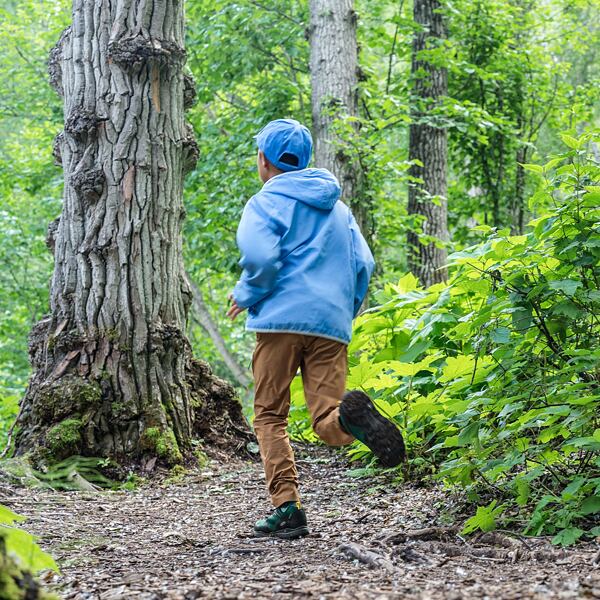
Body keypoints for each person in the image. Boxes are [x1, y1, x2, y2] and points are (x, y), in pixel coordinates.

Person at [227, 118, 405, 540]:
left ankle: (287, 508)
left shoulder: (264, 203)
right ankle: (351, 421)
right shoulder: (339, 209)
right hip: (330, 323)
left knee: (270, 414)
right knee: (327, 414)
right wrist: (343, 309)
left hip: (280, 323)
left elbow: (262, 258)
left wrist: (247, 293)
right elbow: (364, 264)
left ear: (263, 161)